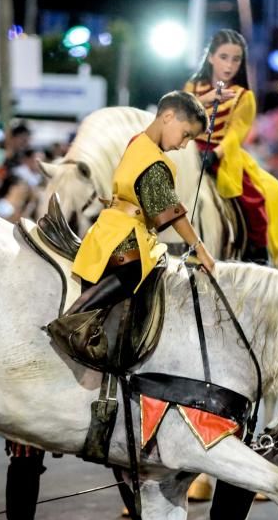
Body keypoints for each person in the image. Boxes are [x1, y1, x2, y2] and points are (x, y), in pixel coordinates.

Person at [49, 90, 213, 367]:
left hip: (109, 229)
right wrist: (201, 250)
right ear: (168, 116)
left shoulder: (137, 143)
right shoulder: (154, 161)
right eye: (185, 134)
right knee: (133, 271)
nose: (185, 145)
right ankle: (74, 320)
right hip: (125, 235)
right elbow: (170, 213)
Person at [184, 29, 278, 265]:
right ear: (211, 57)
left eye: (236, 59)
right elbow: (180, 113)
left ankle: (257, 249)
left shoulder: (244, 96)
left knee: (252, 198)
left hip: (222, 155)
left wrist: (214, 154)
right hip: (186, 150)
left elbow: (236, 134)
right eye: (224, 57)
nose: (229, 65)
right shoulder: (192, 87)